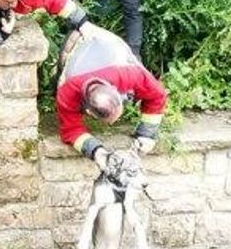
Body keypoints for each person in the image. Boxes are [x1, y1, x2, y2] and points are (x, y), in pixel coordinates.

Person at [55, 24, 167, 172]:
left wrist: (147, 133)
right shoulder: (67, 92)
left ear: (114, 88)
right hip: (76, 45)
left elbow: (157, 95)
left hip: (110, 45)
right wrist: (97, 152)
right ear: (89, 112)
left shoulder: (129, 73)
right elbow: (70, 130)